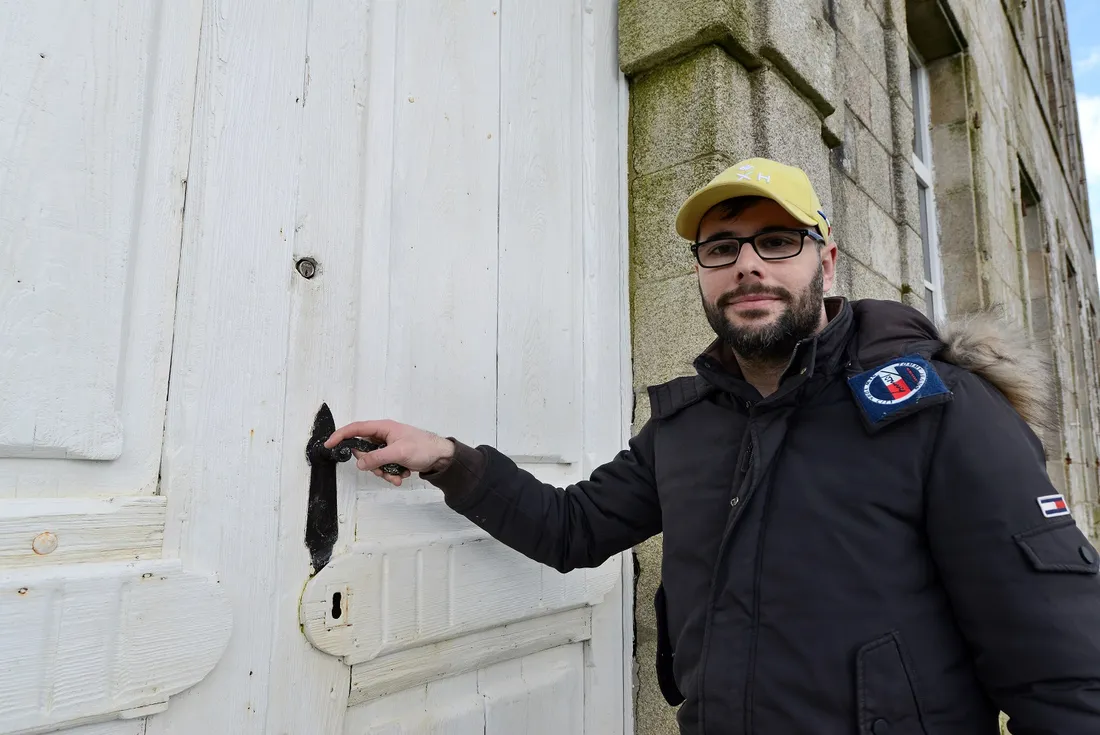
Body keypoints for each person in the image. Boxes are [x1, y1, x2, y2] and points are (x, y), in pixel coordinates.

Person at [325, 158, 1100, 734]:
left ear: (825, 262)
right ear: (702, 276)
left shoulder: (938, 407)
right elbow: (572, 527)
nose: (748, 265)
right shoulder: (684, 426)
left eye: (776, 240)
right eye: (720, 248)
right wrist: (448, 458)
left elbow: (1065, 667)